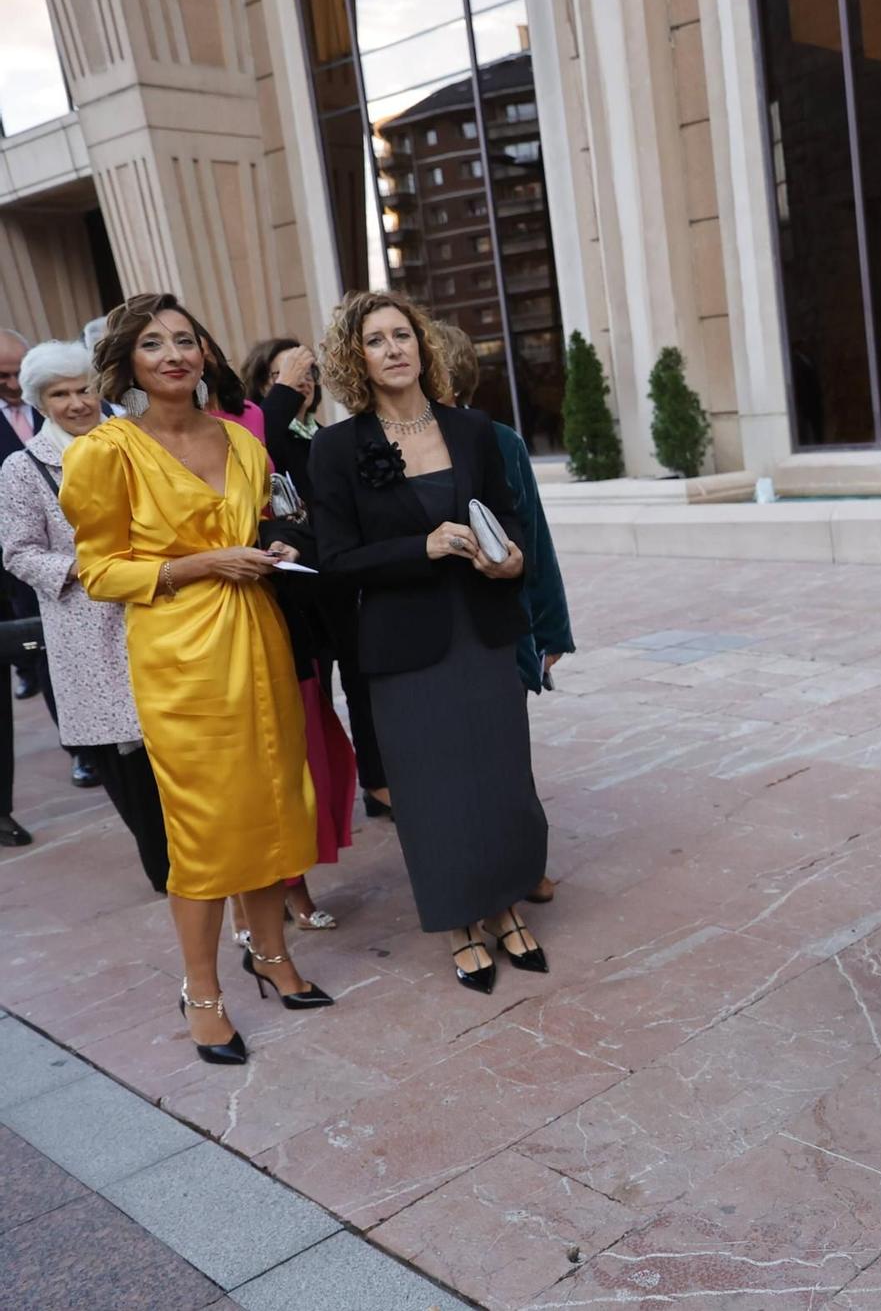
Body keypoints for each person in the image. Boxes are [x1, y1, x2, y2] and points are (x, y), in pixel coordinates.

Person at [63, 293, 333, 1066]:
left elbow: (266, 521)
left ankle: (273, 956)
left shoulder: (244, 445)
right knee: (206, 828)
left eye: (186, 339)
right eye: (154, 344)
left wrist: (271, 548)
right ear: (129, 364)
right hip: (180, 654)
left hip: (258, 635)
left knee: (275, 802)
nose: (175, 353)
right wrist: (205, 563)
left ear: (206, 354)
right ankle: (201, 990)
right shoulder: (105, 453)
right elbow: (100, 570)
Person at [309, 290, 549, 993]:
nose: (394, 349)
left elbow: (511, 519)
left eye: (403, 335)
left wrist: (512, 561)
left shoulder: (472, 430)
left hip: (484, 630)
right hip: (404, 646)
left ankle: (504, 904)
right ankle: (457, 921)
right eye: (376, 340)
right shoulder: (336, 446)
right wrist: (422, 544)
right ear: (356, 359)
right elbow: (335, 558)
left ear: (424, 345)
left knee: (502, 777)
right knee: (433, 789)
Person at [0, 340, 172, 889]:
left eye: (84, 388)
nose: (77, 402)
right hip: (89, 630)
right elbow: (18, 552)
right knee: (130, 764)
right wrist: (89, 568)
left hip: (162, 613)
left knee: (178, 748)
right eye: (60, 394)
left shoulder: (134, 438)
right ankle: (168, 876)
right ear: (39, 403)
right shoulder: (23, 468)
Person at [436, 321, 572, 906]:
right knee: (449, 765)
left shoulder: (499, 440)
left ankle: (527, 865)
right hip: (433, 633)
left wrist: (550, 629)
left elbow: (533, 540)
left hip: (499, 625)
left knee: (509, 759)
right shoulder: (381, 445)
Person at [244, 336, 390, 825]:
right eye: (284, 376)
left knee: (364, 686)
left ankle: (377, 783)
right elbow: (266, 440)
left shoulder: (321, 433)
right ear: (264, 385)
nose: (301, 382)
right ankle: (320, 805)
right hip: (296, 591)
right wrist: (282, 392)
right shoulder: (259, 433)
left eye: (307, 373)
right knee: (313, 703)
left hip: (340, 583)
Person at [0, 327, 47, 706]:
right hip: (17, 560)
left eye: (20, 372)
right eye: (3, 377)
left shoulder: (57, 403)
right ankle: (79, 754)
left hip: (78, 550)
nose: (14, 384)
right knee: (40, 647)